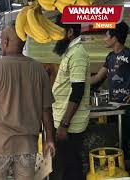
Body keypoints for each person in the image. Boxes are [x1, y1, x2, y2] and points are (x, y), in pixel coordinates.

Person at [0, 25, 55, 180]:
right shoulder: (39, 70)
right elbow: (46, 110)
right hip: (27, 146)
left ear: (5, 42)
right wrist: (49, 139)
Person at [50, 21, 90, 180]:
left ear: (70, 32)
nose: (55, 37)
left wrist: (64, 125)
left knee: (68, 170)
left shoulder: (78, 54)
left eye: (58, 32)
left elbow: (78, 91)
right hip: (64, 121)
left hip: (69, 126)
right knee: (65, 166)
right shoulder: (71, 51)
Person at [90, 21, 130, 163]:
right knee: (116, 141)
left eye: (106, 34)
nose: (104, 38)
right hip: (113, 107)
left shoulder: (128, 54)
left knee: (127, 141)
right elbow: (97, 78)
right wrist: (78, 82)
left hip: (126, 108)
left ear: (115, 37)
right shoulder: (110, 57)